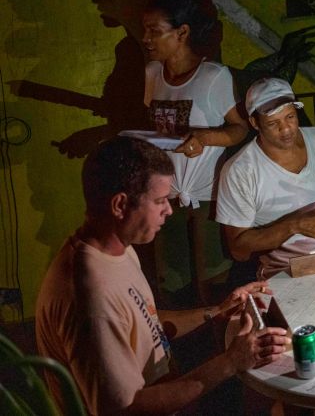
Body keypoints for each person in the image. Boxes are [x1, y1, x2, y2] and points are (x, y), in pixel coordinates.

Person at [34, 136, 289, 415]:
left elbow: (145, 322)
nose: (169, 210)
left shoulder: (116, 250)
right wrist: (231, 362)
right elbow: (125, 410)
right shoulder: (91, 296)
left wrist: (219, 310)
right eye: (159, 201)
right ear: (120, 205)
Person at [142, 0, 248, 304]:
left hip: (207, 197)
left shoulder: (213, 77)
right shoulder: (151, 74)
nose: (145, 39)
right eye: (144, 30)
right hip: (166, 195)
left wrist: (204, 137)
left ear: (182, 32)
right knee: (171, 282)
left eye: (154, 31)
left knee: (213, 282)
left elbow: (240, 129)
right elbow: (155, 128)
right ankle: (184, 351)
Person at [216, 77, 315, 279]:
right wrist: (295, 225)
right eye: (273, 123)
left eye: (290, 117)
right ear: (254, 123)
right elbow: (238, 249)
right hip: (283, 273)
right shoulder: (239, 171)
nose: (285, 129)